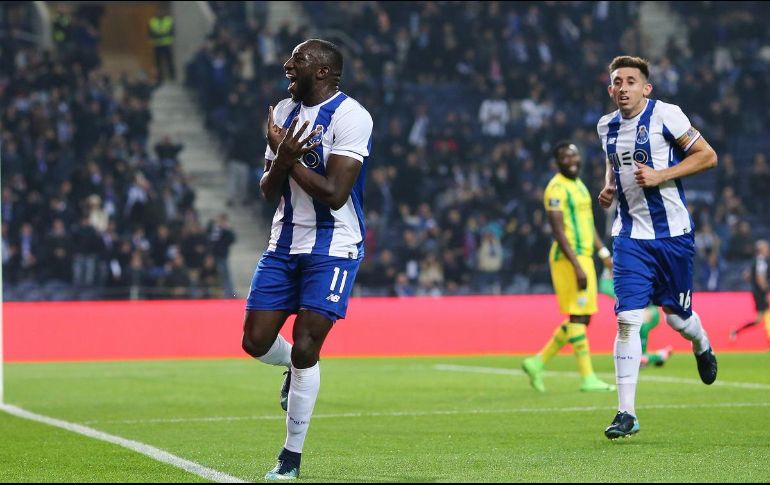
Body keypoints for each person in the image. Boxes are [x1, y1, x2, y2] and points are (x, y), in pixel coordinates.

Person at [239, 39, 373, 480]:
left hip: (334, 246)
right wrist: (280, 157)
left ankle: (290, 459)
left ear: (322, 71)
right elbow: (266, 190)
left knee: (306, 346)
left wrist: (288, 156)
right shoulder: (282, 112)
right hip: (283, 244)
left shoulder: (352, 116)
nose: (286, 65)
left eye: (296, 60)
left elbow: (335, 194)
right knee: (255, 342)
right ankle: (291, 370)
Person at [597, 56, 718, 440]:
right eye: (618, 81)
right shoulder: (606, 126)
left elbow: (708, 157)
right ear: (611, 88)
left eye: (631, 81)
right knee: (627, 319)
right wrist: (610, 186)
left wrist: (661, 175)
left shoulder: (667, 115)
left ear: (646, 88)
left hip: (672, 237)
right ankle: (626, 413)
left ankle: (701, 342)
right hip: (630, 237)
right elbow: (613, 160)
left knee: (676, 320)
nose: (624, 87)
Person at [521, 142, 615, 393]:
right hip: (568, 258)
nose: (571, 160)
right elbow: (558, 231)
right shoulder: (556, 188)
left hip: (585, 256)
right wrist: (577, 266)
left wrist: (603, 252)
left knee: (583, 317)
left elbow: (588, 222)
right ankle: (587, 378)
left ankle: (536, 362)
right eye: (565, 157)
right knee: (578, 316)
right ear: (558, 162)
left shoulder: (579, 186)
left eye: (574, 155)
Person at [598, 269, 673, 367]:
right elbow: (605, 287)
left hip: (650, 310)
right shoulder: (618, 287)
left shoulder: (637, 276)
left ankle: (642, 357)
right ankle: (659, 355)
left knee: (641, 322)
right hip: (634, 314)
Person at [729, 239, 769, 343]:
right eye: (765, 248)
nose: (767, 249)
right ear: (760, 250)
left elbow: (746, 275)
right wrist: (765, 291)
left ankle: (736, 331)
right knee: (764, 316)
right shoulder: (761, 261)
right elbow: (760, 278)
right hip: (760, 293)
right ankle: (736, 331)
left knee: (760, 319)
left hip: (756, 292)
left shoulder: (756, 261)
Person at [148, 8, 176, 83]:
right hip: (157, 44)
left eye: (162, 11)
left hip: (166, 44)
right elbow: (150, 33)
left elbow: (172, 31)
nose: (160, 13)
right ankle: (160, 78)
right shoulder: (153, 21)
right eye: (159, 12)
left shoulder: (168, 20)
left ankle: (172, 77)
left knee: (169, 61)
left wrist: (162, 35)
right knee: (158, 63)